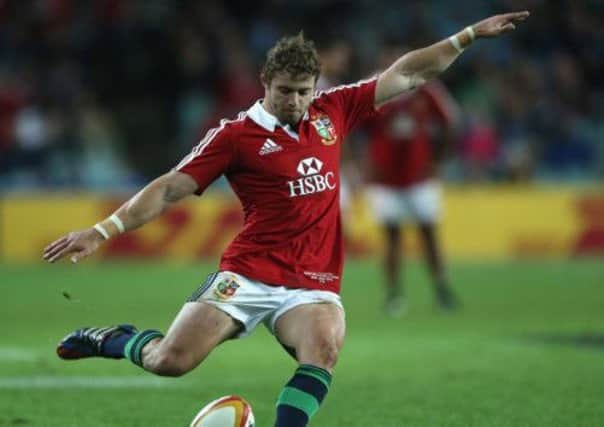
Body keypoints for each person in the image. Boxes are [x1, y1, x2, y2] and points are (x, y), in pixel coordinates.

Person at [43, 11, 529, 427]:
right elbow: (171, 187)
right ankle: (113, 339)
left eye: (302, 90)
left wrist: (466, 36)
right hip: (249, 272)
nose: (294, 101)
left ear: (315, 86)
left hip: (312, 281)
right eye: (284, 91)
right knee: (170, 361)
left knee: (324, 348)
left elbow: (409, 74)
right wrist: (102, 230)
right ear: (265, 83)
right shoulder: (234, 136)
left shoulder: (333, 110)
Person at [363, 40, 462, 316]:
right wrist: (357, 163)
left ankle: (442, 289)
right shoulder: (373, 89)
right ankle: (394, 294)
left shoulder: (425, 86)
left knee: (428, 234)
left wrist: (439, 158)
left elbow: (451, 121)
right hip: (384, 179)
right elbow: (350, 125)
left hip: (419, 177)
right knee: (391, 237)